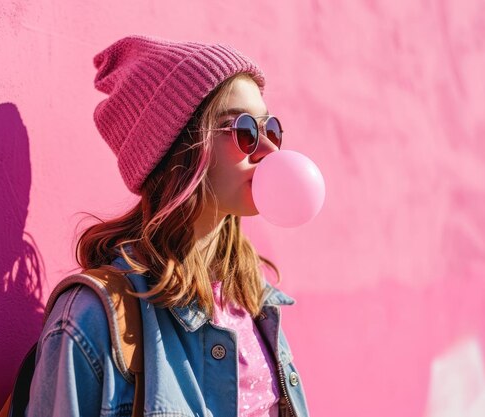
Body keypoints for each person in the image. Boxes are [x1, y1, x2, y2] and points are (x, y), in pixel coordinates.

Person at [25, 34, 310, 417]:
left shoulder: (254, 300)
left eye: (270, 127)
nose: (270, 150)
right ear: (181, 149)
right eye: (245, 131)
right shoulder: (92, 318)